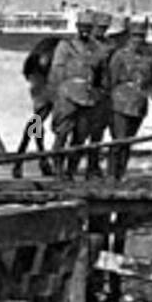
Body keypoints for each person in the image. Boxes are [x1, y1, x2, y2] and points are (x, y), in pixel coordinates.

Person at [48, 10, 107, 180]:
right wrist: (60, 96)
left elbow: (101, 74)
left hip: (87, 98)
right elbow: (56, 72)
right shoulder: (66, 47)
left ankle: (71, 171)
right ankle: (58, 170)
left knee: (80, 137)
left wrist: (99, 93)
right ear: (77, 27)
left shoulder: (97, 49)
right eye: (82, 27)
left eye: (88, 27)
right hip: (67, 97)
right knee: (62, 134)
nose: (86, 31)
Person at [106, 20, 152, 180]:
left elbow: (150, 82)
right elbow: (111, 80)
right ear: (129, 37)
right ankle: (112, 174)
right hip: (120, 102)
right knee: (118, 141)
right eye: (135, 36)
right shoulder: (119, 55)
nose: (138, 40)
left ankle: (122, 173)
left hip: (138, 104)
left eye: (141, 36)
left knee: (128, 141)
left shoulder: (148, 58)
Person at [84, 11, 117, 179]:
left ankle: (92, 165)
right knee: (37, 118)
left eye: (104, 28)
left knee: (97, 132)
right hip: (76, 93)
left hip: (99, 95)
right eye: (98, 27)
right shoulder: (81, 45)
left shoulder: (108, 46)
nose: (101, 31)